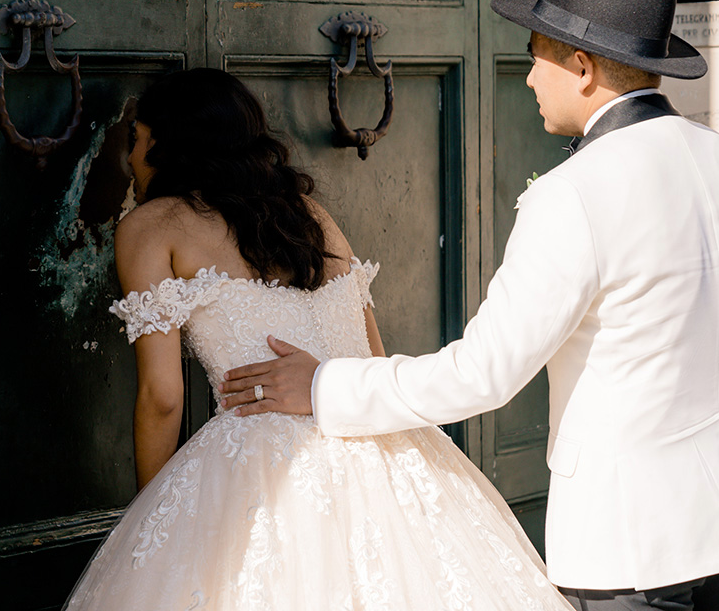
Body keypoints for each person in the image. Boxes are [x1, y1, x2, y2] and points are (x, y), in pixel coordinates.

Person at [221, 0, 719, 611]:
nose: (527, 78)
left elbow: (482, 374)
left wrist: (324, 385)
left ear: (581, 67)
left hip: (630, 546)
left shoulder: (576, 194)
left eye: (534, 55)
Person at [63, 67, 577, 610]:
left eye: (138, 138)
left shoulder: (152, 225)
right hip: (388, 453)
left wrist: (154, 510)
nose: (130, 156)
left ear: (171, 145)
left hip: (259, 467)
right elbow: (374, 357)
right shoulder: (311, 217)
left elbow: (164, 396)